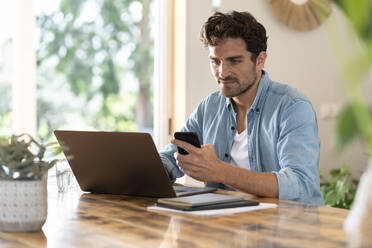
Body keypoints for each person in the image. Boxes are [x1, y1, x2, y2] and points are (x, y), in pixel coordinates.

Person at [159, 11, 323, 205]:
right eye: (215, 61)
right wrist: (149, 170)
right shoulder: (209, 107)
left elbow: (300, 184)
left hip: (287, 227)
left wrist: (220, 171)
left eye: (234, 61)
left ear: (260, 60)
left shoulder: (293, 107)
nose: (223, 72)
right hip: (227, 224)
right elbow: (169, 157)